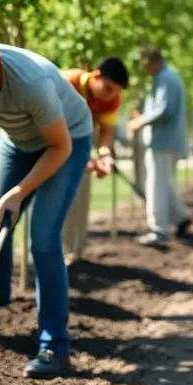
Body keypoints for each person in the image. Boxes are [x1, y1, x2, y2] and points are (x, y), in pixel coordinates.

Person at [0, 21, 92, 379]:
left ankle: (55, 344)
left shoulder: (31, 85)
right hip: (17, 141)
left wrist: (20, 192)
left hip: (65, 141)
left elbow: (60, 146)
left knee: (43, 241)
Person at [61, 57, 130, 262]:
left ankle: (77, 250)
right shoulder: (66, 83)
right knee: (60, 201)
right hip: (55, 146)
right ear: (96, 76)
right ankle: (59, 252)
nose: (112, 96)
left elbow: (106, 132)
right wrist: (81, 157)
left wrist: (105, 156)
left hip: (82, 149)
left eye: (116, 92)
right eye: (108, 89)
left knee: (81, 198)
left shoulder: (113, 98)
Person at [128, 45, 191, 247]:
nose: (144, 69)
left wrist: (140, 121)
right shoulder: (164, 78)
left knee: (156, 186)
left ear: (152, 61)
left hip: (164, 142)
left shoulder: (166, 79)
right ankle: (181, 217)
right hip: (164, 141)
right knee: (164, 184)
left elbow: (164, 111)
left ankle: (158, 229)